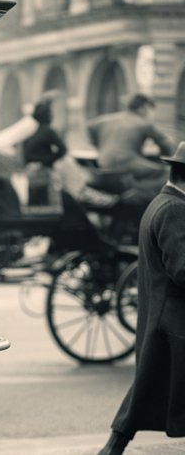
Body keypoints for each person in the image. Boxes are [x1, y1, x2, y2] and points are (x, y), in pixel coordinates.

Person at [97, 141, 185, 454]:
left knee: (147, 390)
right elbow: (182, 270)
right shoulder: (175, 209)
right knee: (148, 391)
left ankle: (114, 446)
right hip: (174, 321)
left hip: (165, 317)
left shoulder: (162, 202)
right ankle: (113, 446)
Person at [87, 93, 174, 182]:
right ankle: (140, 190)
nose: (151, 114)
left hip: (104, 162)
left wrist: (99, 145)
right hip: (127, 164)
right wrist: (165, 161)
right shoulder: (144, 123)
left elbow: (89, 127)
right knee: (165, 172)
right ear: (143, 108)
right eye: (151, 110)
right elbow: (166, 143)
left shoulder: (106, 119)